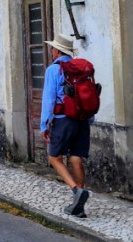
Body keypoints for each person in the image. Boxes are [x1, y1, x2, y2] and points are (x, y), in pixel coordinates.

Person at [41, 34, 91, 218]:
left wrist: (44, 125)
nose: (51, 51)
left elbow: (49, 99)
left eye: (52, 48)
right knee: (76, 159)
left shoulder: (53, 70)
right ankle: (79, 206)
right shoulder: (82, 69)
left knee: (54, 157)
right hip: (82, 120)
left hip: (63, 119)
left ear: (57, 51)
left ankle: (77, 191)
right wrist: (88, 120)